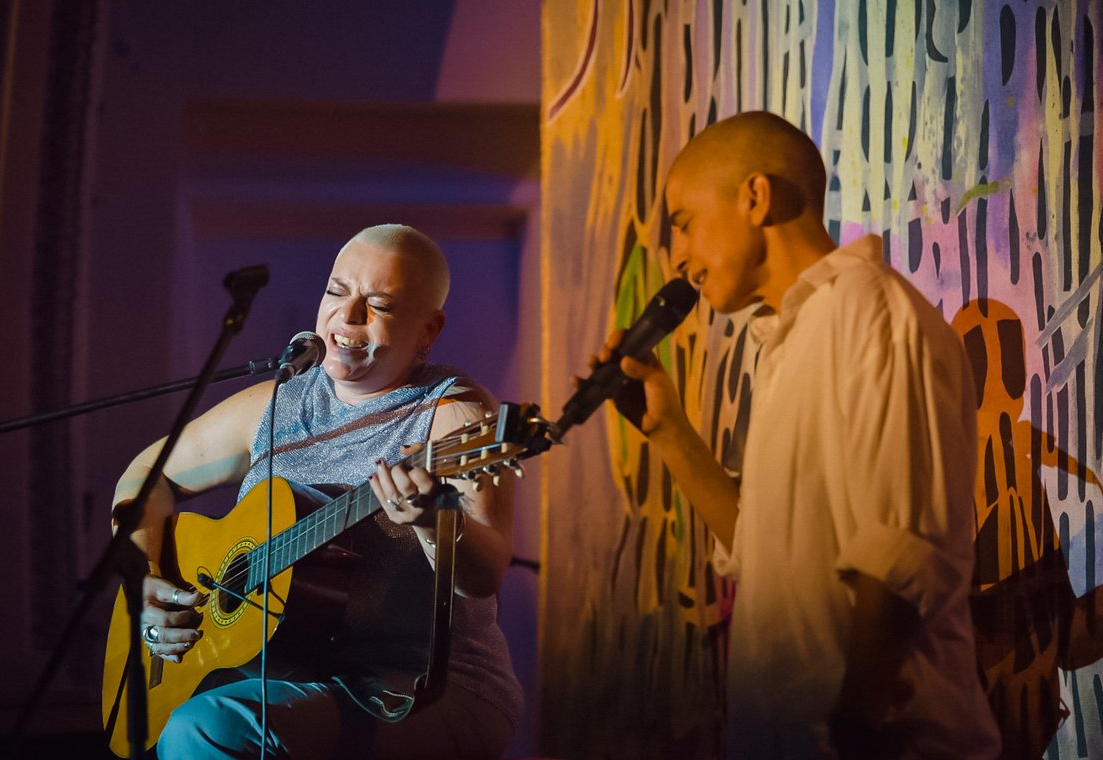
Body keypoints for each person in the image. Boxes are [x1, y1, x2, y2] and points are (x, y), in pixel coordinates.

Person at [596, 111, 1001, 758]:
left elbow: (901, 553)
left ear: (754, 197)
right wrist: (668, 431)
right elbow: (765, 551)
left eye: (684, 223)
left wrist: (856, 725)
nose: (679, 256)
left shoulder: (870, 310)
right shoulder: (786, 339)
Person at [110, 224, 522, 759]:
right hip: (290, 675)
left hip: (423, 688)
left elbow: (485, 572)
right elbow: (144, 475)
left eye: (379, 304)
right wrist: (145, 577)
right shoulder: (277, 403)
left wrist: (430, 521)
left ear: (429, 329)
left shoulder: (456, 415)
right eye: (335, 292)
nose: (346, 318)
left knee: (207, 727)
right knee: (186, 718)